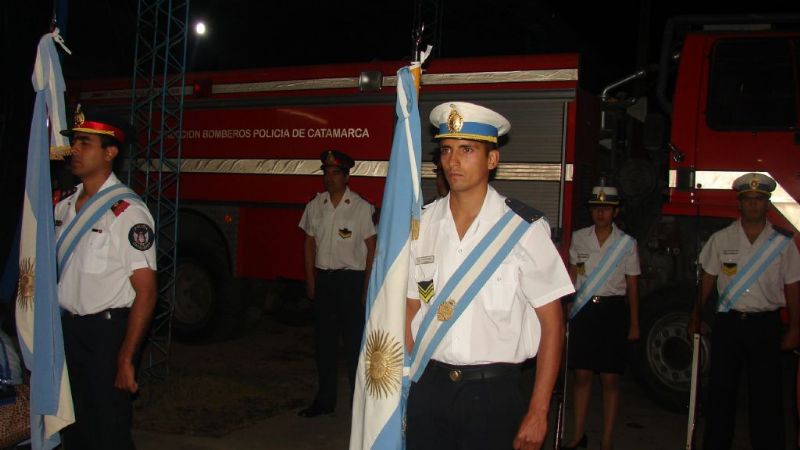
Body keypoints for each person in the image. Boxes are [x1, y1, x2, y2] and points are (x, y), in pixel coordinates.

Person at [405, 102, 574, 450]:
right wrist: (407, 385)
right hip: (429, 387)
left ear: (492, 160)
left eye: (467, 150)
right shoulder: (421, 227)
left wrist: (539, 410)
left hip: (494, 395)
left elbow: (553, 324)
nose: (452, 161)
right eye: (447, 150)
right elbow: (409, 309)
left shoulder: (522, 230)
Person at [56, 105, 157, 449]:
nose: (75, 150)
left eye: (85, 143)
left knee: (108, 431)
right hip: (67, 331)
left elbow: (146, 292)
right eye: (75, 142)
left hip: (105, 335)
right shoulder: (62, 207)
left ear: (110, 152)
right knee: (73, 429)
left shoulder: (128, 212)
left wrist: (126, 358)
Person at [689, 172, 799, 450]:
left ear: (767, 204)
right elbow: (709, 279)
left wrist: (796, 328)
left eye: (758, 200)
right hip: (729, 324)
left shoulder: (783, 243)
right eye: (748, 200)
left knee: (767, 398)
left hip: (765, 326)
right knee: (721, 395)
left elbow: (793, 286)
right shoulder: (721, 239)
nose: (753, 205)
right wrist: (696, 314)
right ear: (739, 204)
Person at [297, 150, 377, 418]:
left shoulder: (361, 207)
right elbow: (309, 243)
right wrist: (310, 280)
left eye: (334, 173)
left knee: (354, 347)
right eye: (326, 173)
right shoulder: (315, 205)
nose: (329, 178)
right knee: (324, 345)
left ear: (346, 176)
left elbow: (371, 248)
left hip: (350, 282)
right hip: (325, 281)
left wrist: (367, 287)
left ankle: (359, 407)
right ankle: (324, 400)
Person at [562, 184, 640, 450]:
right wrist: (564, 310)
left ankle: (606, 440)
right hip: (584, 311)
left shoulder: (627, 244)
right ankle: (578, 435)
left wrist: (634, 323)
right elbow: (573, 275)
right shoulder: (580, 238)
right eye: (596, 208)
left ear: (615, 211)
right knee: (581, 375)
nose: (601, 213)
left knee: (609, 378)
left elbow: (632, 286)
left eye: (606, 208)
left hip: (613, 312)